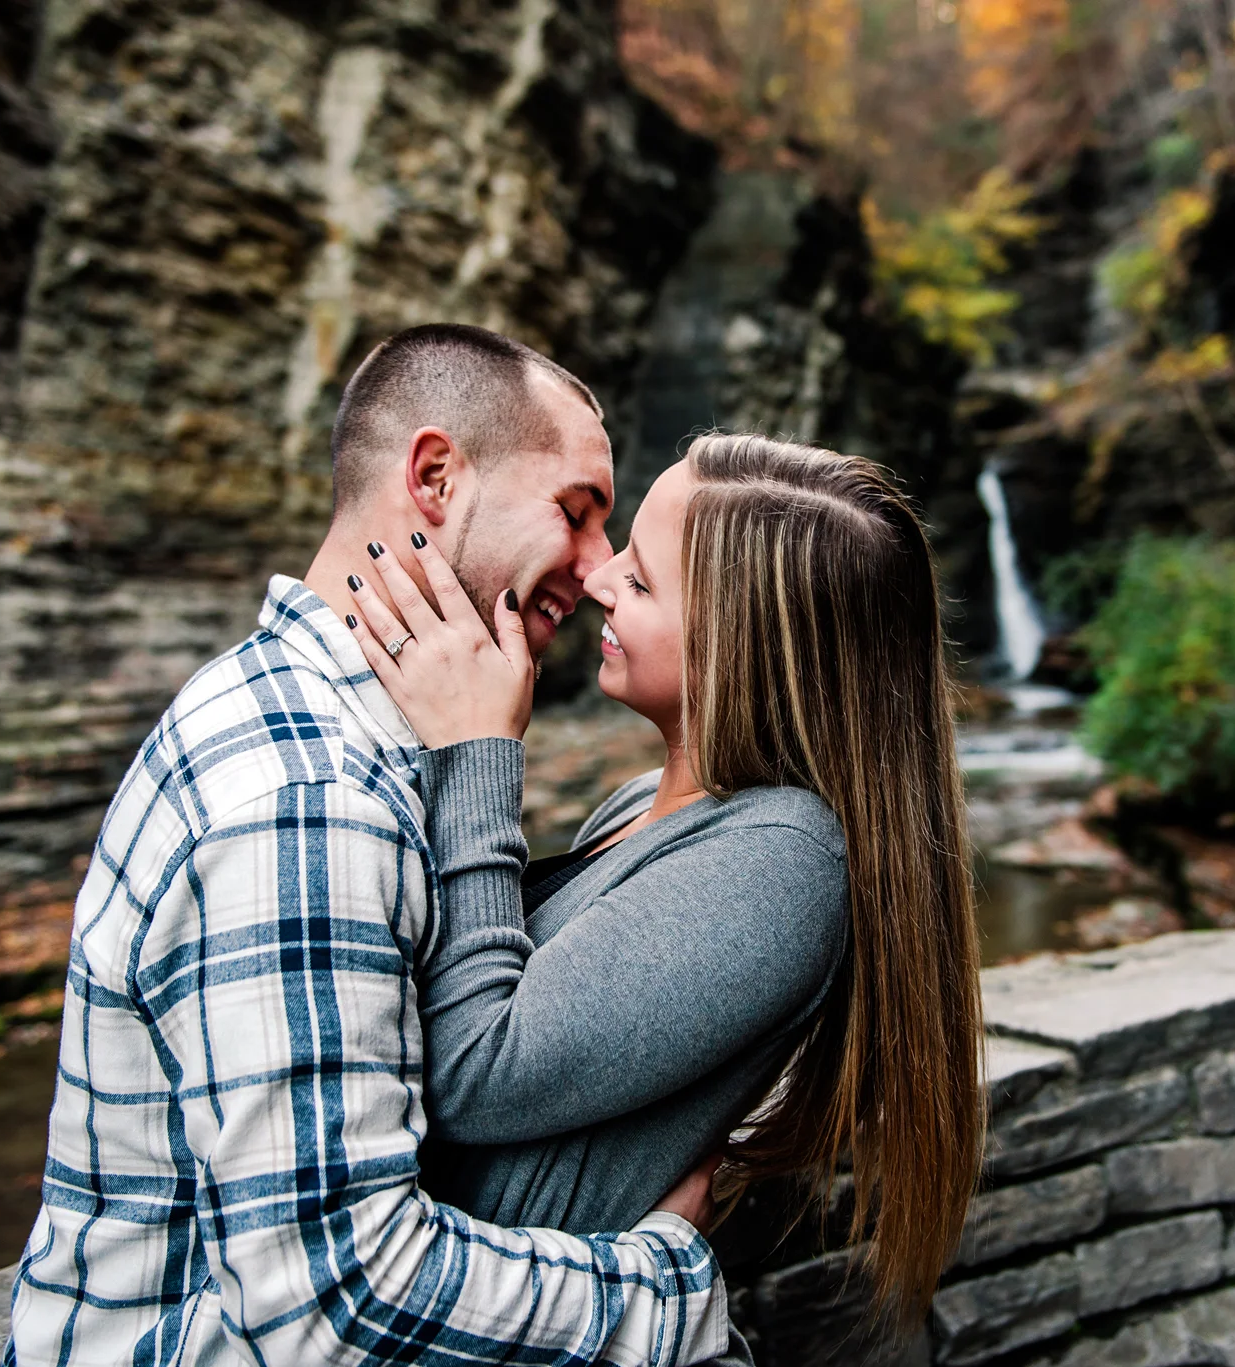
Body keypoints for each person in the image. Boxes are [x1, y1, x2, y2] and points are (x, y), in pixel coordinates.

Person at [5, 325, 731, 1367]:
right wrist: (664, 1283)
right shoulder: (306, 798)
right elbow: (335, 1300)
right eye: (574, 513)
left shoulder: (309, 721)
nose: (595, 569)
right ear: (434, 475)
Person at [342, 432, 987, 1334]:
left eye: (640, 581)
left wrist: (478, 750)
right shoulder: (640, 805)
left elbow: (476, 1069)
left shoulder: (785, 858)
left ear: (743, 647)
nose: (600, 580)